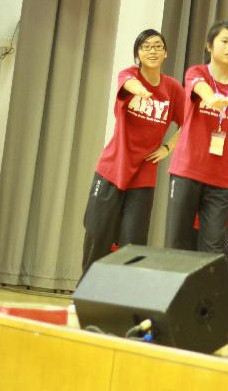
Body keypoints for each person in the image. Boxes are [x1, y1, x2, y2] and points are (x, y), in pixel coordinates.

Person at [82, 29, 184, 274]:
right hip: (111, 169)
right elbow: (128, 83)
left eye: (157, 46)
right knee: (97, 233)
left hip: (144, 176)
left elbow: (190, 123)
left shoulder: (172, 88)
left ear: (166, 53)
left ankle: (123, 293)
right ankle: (87, 287)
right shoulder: (129, 75)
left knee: (133, 244)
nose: (152, 51)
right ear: (138, 53)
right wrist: (140, 90)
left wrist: (168, 147)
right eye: (146, 46)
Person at [165, 21, 228, 254]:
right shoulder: (197, 73)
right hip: (188, 170)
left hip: (223, 178)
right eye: (224, 41)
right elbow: (199, 88)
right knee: (177, 242)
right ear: (209, 46)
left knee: (214, 247)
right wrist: (213, 99)